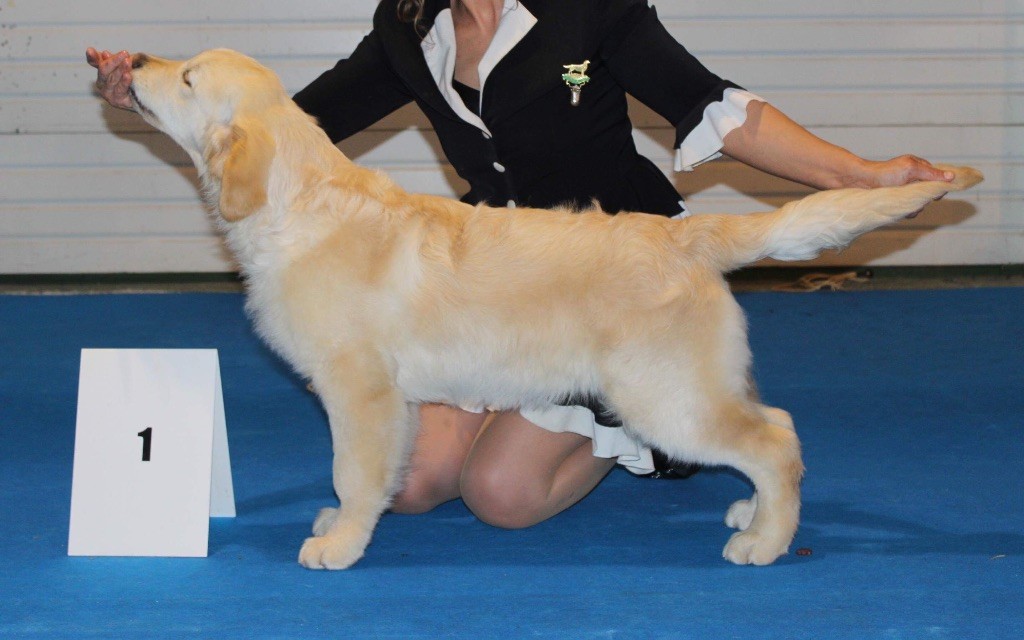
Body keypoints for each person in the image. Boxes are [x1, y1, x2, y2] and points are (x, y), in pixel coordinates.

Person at [87, 0, 952, 531]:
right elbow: (285, 123)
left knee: (502, 495)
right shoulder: (409, 21)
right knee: (417, 484)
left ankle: (648, 417)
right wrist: (158, 95)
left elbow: (715, 108)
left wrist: (861, 176)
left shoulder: (588, 6)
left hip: (616, 274)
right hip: (489, 277)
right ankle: (646, 406)